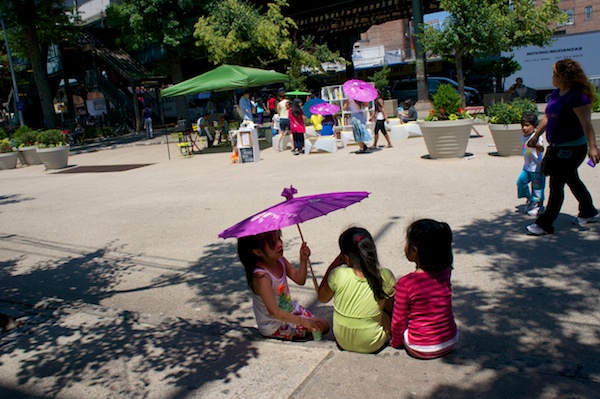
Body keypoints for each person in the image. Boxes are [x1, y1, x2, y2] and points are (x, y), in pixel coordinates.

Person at [526, 59, 600, 235]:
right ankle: (588, 211)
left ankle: (545, 223)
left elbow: (587, 124)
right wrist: (535, 136)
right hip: (557, 146)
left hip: (572, 148)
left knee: (556, 183)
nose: (552, 77)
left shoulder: (578, 97)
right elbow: (547, 117)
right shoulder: (557, 93)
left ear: (563, 77)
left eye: (554, 74)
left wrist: (593, 147)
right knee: (571, 179)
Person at [237, 230, 330, 340]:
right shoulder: (262, 277)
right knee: (321, 326)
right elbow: (274, 313)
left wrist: (303, 259)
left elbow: (299, 279)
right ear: (258, 252)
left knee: (323, 324)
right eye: (273, 244)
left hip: (289, 310)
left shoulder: (279, 259)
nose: (280, 244)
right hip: (274, 324)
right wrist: (305, 322)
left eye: (279, 238)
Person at [317, 227, 396, 354]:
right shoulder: (384, 276)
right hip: (372, 343)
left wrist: (334, 264)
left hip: (342, 340)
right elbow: (392, 308)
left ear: (346, 257)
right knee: (386, 305)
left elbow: (322, 297)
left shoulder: (338, 274)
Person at [391, 219, 458, 359]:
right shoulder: (446, 272)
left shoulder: (406, 283)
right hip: (450, 340)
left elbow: (399, 321)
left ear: (414, 250)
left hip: (420, 347)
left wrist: (396, 342)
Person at [517, 112, 545, 216]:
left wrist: (535, 144)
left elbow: (541, 149)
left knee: (537, 187)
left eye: (527, 125)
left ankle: (539, 205)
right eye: (523, 125)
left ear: (534, 126)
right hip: (527, 167)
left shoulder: (536, 136)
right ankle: (530, 199)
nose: (524, 128)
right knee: (521, 182)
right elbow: (527, 151)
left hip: (537, 168)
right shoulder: (523, 136)